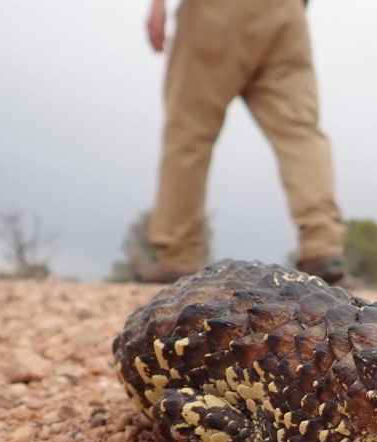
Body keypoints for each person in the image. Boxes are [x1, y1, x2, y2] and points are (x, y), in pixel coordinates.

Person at [140, 0, 346, 285]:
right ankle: (322, 245)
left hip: (214, 14)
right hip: (287, 14)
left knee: (188, 135)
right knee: (300, 133)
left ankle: (177, 253)